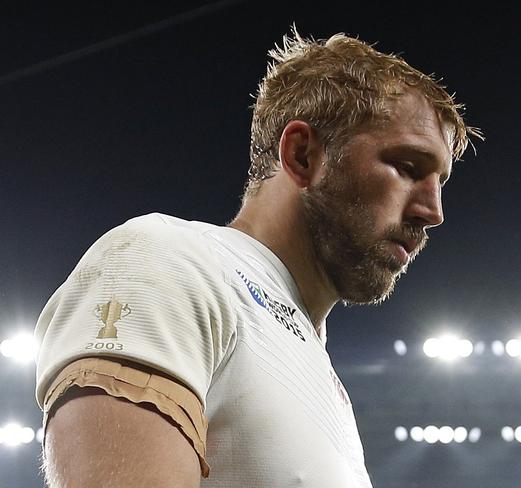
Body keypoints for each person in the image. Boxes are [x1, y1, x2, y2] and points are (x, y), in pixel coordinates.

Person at [34, 28, 480, 487]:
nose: (433, 213)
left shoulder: (321, 377)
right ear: (302, 154)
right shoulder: (168, 258)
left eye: (439, 183)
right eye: (408, 168)